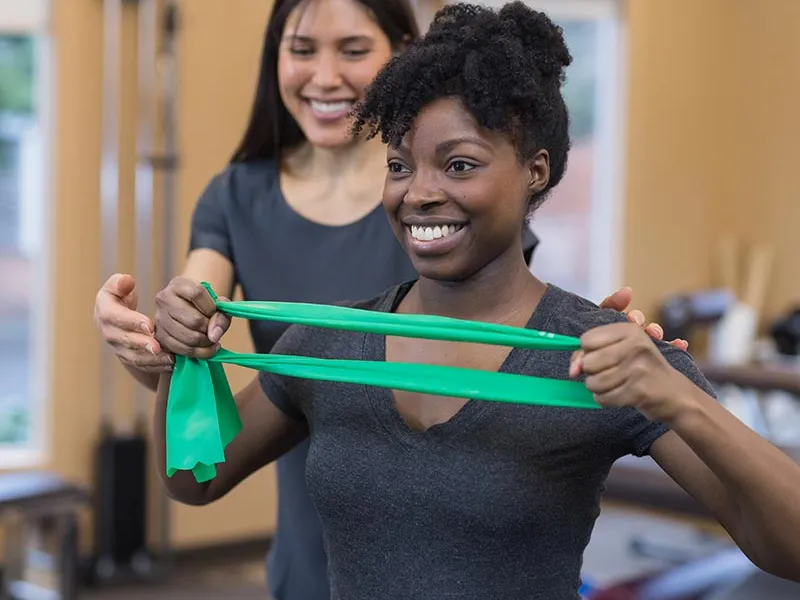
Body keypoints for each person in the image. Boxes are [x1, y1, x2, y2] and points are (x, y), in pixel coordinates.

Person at [94, 0, 683, 598]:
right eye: (302, 49)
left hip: (477, 526)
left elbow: (504, 328)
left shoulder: (461, 219)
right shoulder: (244, 206)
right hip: (321, 527)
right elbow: (197, 338)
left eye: (352, 49)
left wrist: (613, 352)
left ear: (402, 52)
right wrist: (167, 339)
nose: (325, 75)